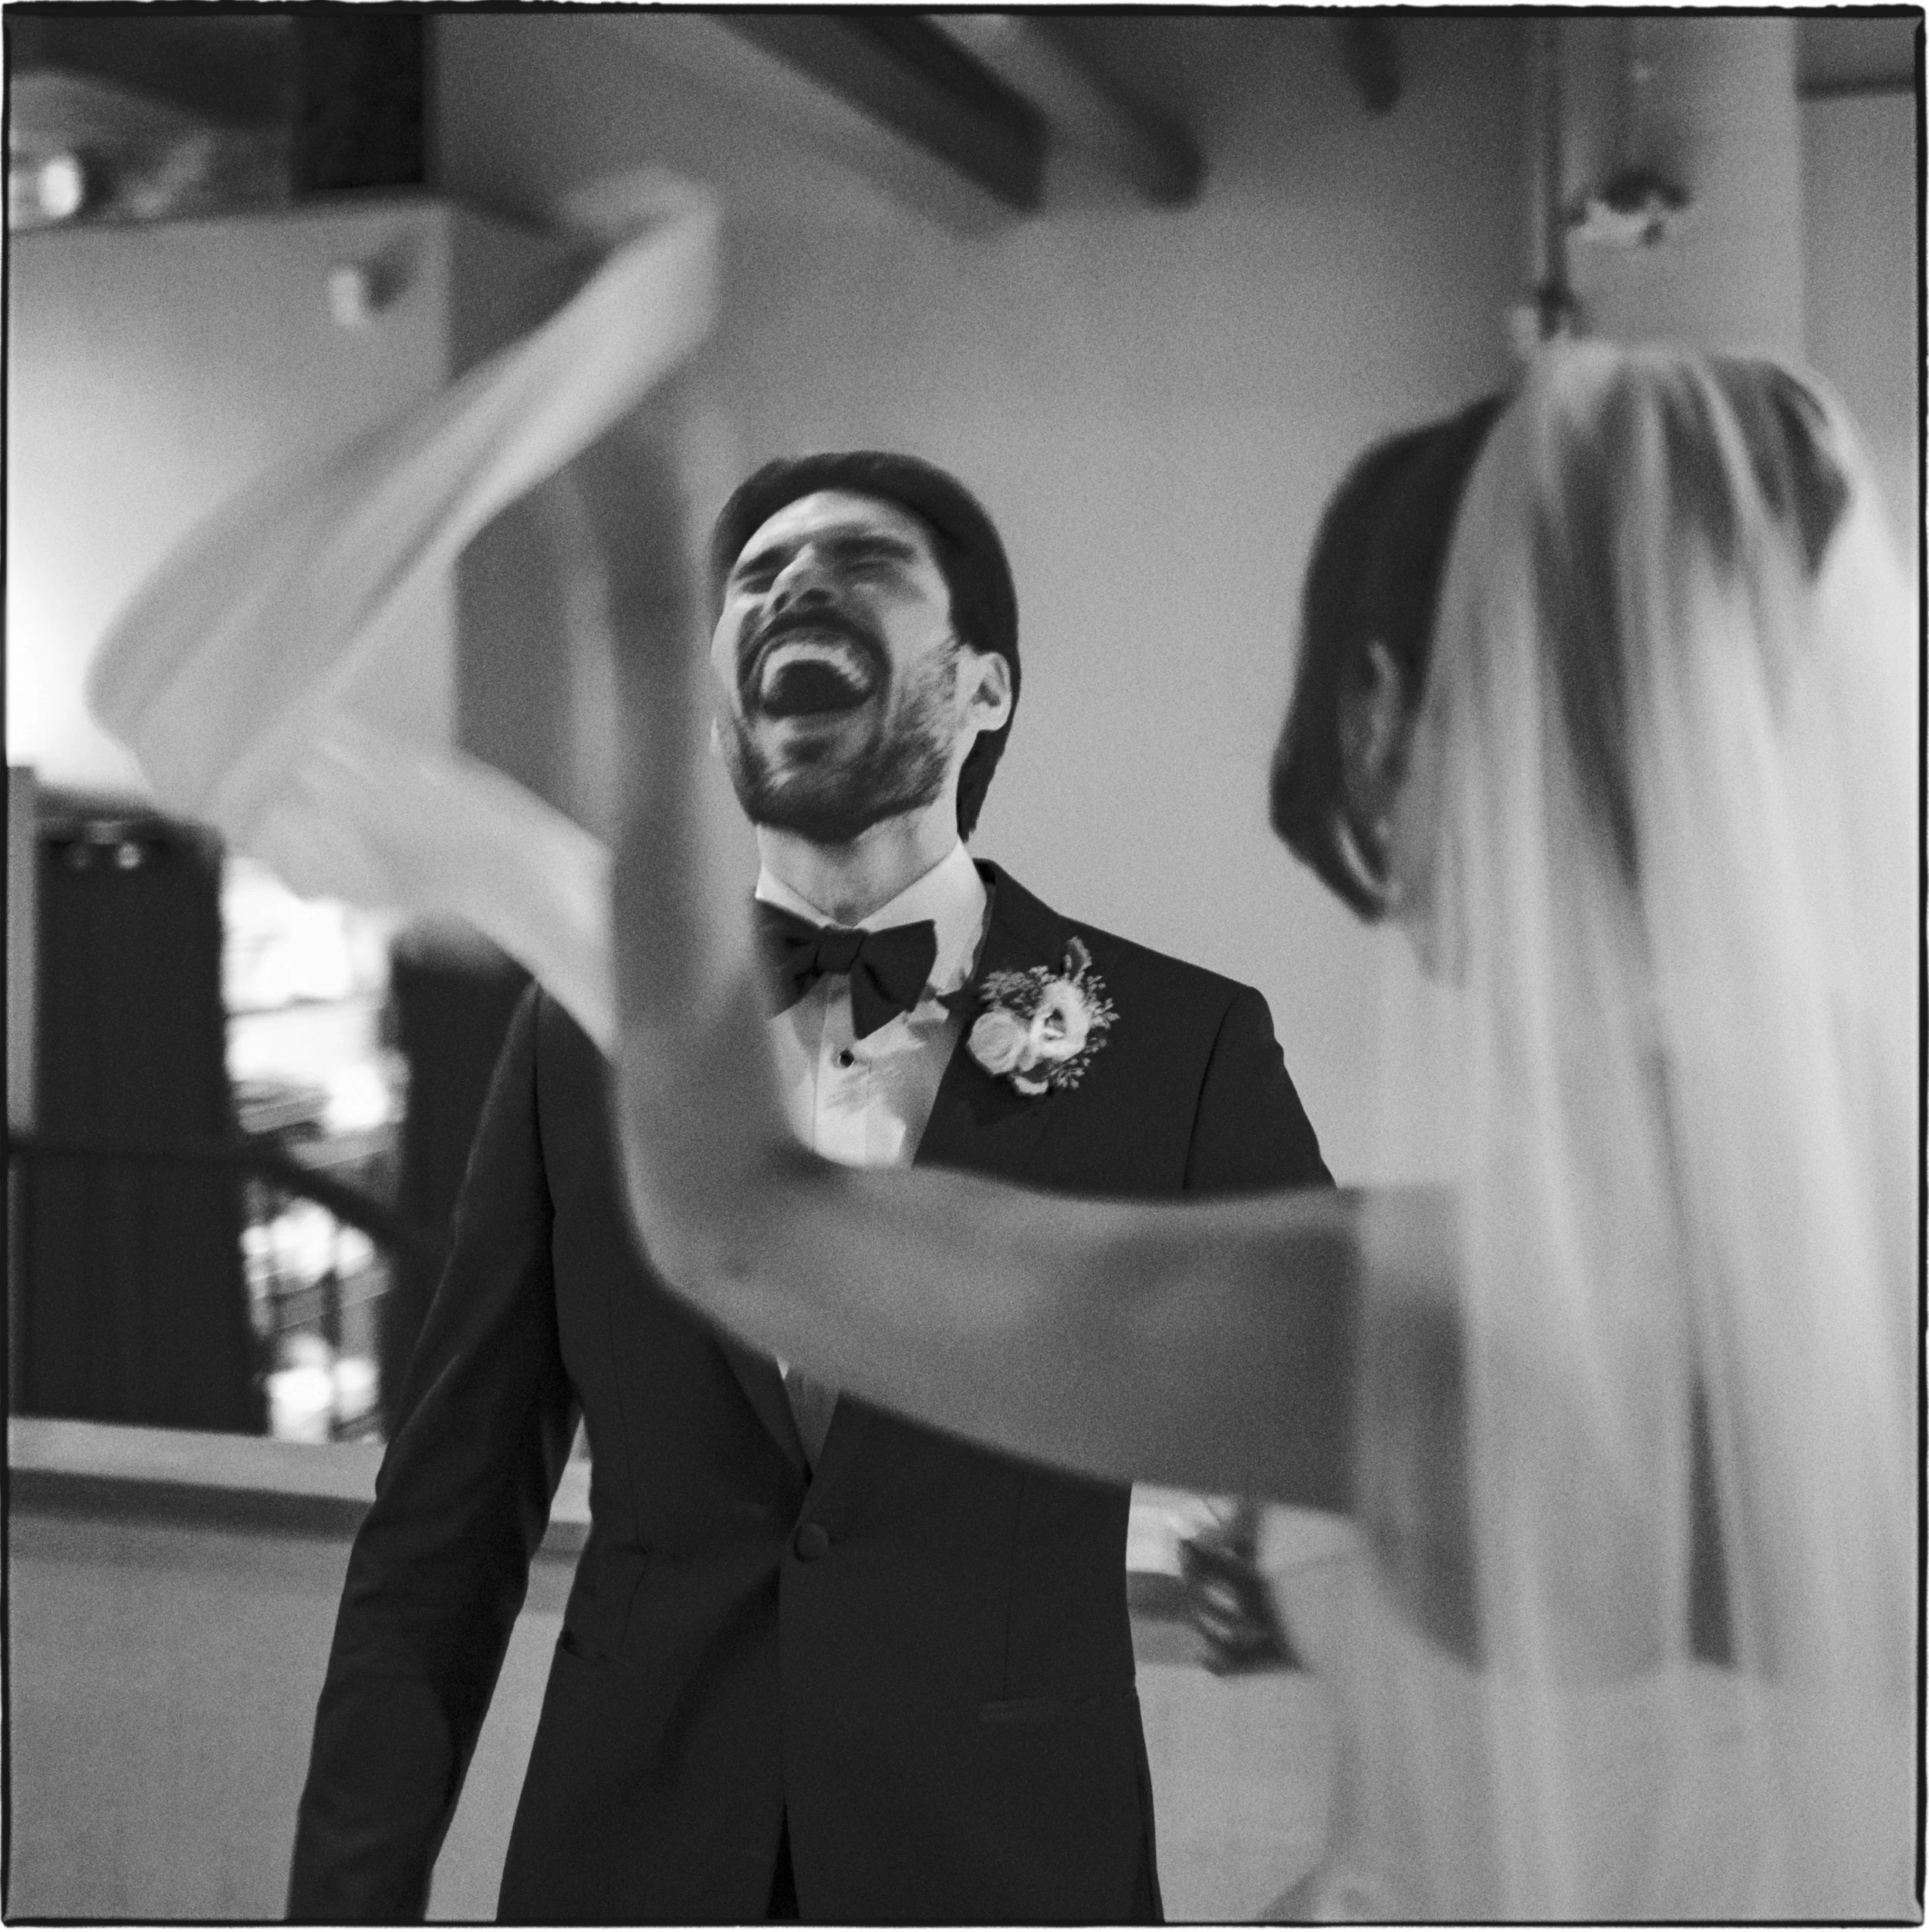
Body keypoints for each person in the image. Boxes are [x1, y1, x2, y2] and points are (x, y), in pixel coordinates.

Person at [602, 343, 1917, 1920]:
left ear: (1378, 710)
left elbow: (734, 1221)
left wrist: (634, 551)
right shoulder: (1863, 1207)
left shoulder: (1455, 1305)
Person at [286, 448, 1333, 1923]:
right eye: (758, 578)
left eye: (862, 563)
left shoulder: (1181, 1045)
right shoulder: (580, 1035)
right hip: (631, 1867)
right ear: (720, 711)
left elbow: (1339, 1414)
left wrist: (1287, 1550)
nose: (795, 587)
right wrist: (348, 1896)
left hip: (1007, 1873)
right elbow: (445, 1530)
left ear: (985, 689)